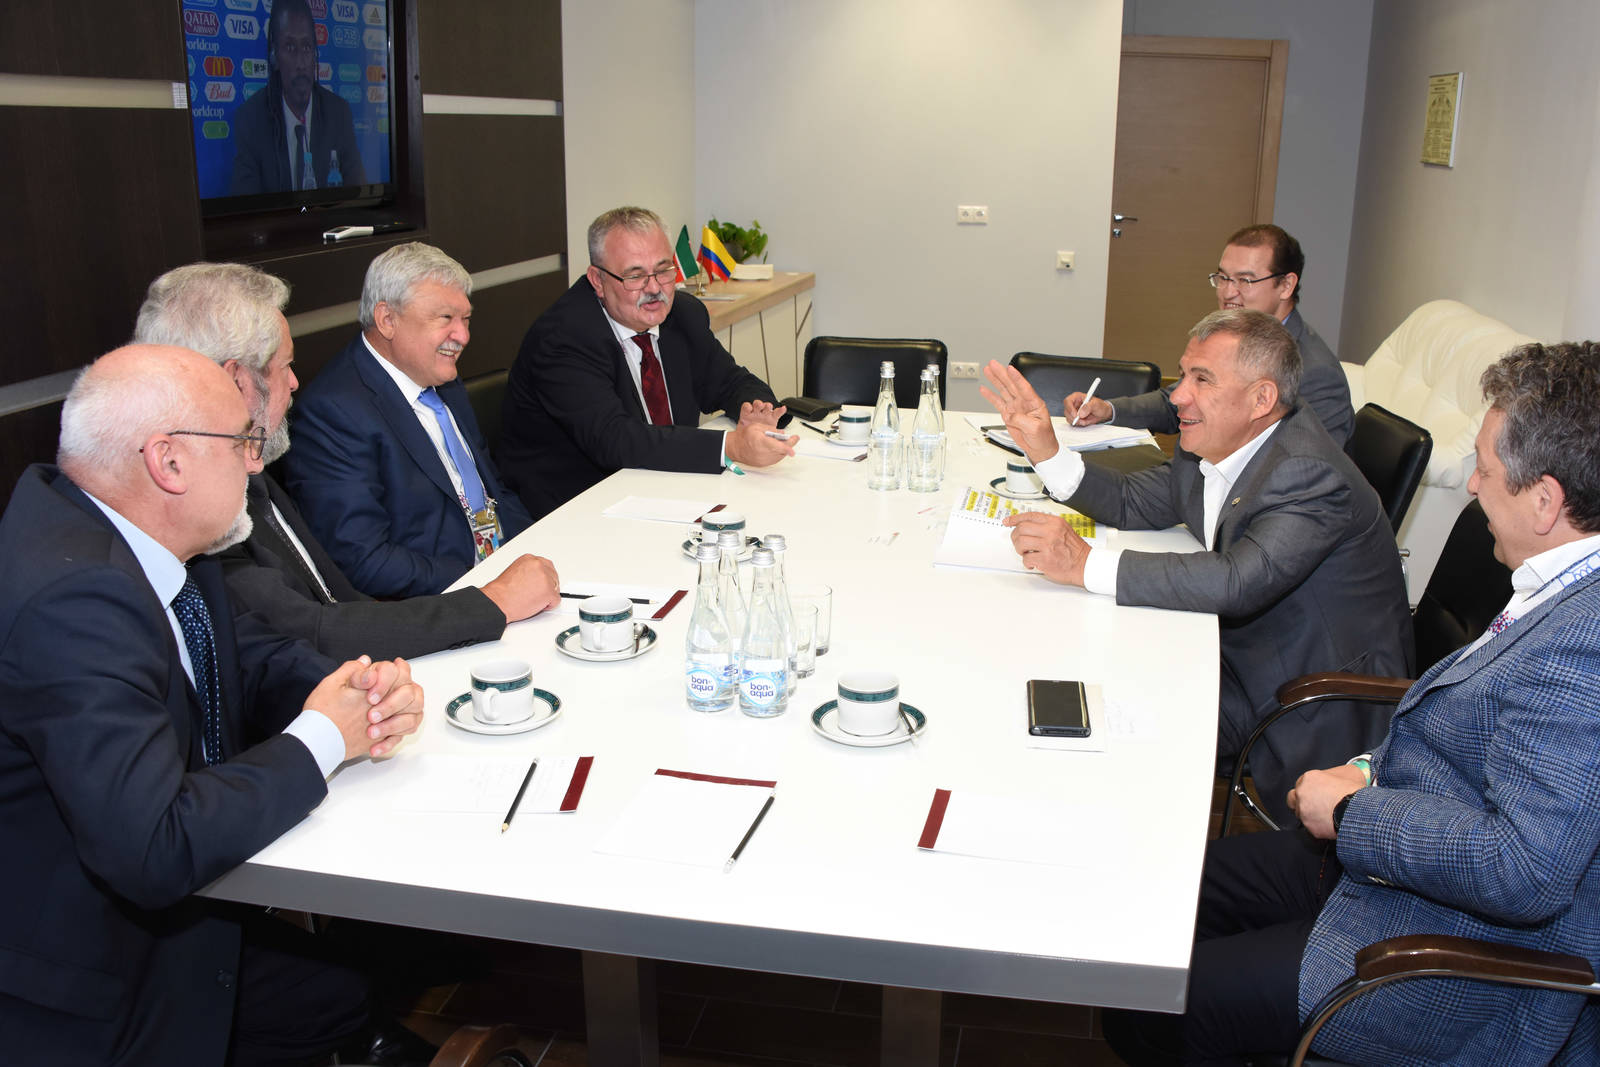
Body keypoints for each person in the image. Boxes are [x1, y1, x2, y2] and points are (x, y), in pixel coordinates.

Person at [1107, 341, 1600, 1065]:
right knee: (1155, 901)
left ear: (1547, 500)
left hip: (1440, 954)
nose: (1471, 486)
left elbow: (1523, 870)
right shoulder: (1556, 583)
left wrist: (1351, 811)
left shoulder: (1582, 647)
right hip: (1386, 866)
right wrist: (1367, 771)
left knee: (1157, 1003)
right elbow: (1468, 741)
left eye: (1486, 471)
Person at [0, 345, 427, 1065]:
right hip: (92, 981)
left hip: (161, 904)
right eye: (244, 442)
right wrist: (326, 735)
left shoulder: (142, 535)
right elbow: (155, 846)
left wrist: (358, 690)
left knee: (352, 983)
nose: (257, 466)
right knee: (349, 985)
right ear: (168, 462)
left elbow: (243, 659)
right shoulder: (75, 598)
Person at [982, 308, 1411, 821]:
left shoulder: (1305, 472)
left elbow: (1236, 582)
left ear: (1262, 399)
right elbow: (1131, 501)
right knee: (1077, 668)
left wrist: (1084, 563)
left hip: (1300, 690)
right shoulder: (1218, 443)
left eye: (1202, 380)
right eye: (1184, 374)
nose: (1178, 395)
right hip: (1234, 648)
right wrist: (1047, 451)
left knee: (1112, 720)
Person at [133, 262, 561, 661]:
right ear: (237, 380)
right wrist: (490, 597)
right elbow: (316, 624)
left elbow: (332, 596)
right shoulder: (201, 502)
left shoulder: (246, 459)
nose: (295, 382)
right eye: (286, 366)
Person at [498, 206, 795, 519]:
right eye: (635, 276)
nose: (654, 288)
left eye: (663, 270)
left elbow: (730, 381)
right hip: (575, 508)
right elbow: (615, 439)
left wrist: (757, 413)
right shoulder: (564, 337)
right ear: (597, 280)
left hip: (666, 488)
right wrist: (731, 446)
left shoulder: (682, 315)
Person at [281, 243, 534, 598]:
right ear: (387, 320)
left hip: (503, 574)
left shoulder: (440, 376)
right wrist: (485, 583)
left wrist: (537, 549)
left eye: (466, 319)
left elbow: (492, 490)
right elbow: (364, 561)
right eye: (445, 318)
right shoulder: (331, 413)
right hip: (443, 600)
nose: (463, 336)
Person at [1070, 224, 1354, 447]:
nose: (1228, 292)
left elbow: (1310, 470)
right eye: (1224, 278)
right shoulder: (1233, 336)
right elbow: (1174, 402)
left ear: (1286, 285)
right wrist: (1108, 410)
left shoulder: (1316, 373)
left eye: (1245, 280)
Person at [229, 0, 368, 195]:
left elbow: (359, 196)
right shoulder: (251, 119)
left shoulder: (338, 113)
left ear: (315, 54)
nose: (301, 63)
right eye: (290, 47)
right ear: (274, 56)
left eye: (306, 47)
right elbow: (245, 205)